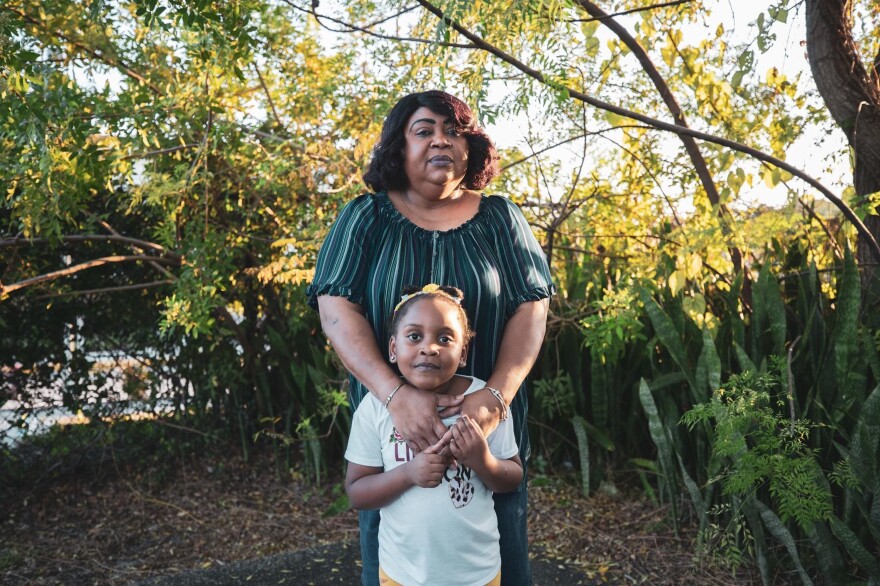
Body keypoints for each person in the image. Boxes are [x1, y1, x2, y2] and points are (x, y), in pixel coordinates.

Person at [307, 89, 554, 586]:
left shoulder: (500, 218)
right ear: (399, 147)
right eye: (424, 131)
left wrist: (494, 399)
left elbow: (532, 309)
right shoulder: (365, 217)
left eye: (453, 132)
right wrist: (394, 396)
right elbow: (335, 310)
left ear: (470, 148)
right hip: (393, 448)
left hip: (484, 439)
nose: (441, 141)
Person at [345, 284, 523, 585]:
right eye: (415, 336)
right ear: (393, 349)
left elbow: (513, 478)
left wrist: (483, 462)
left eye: (444, 338)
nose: (429, 348)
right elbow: (357, 492)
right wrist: (408, 474)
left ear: (462, 352)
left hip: (477, 574)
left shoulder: (485, 403)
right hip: (403, 575)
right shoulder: (376, 407)